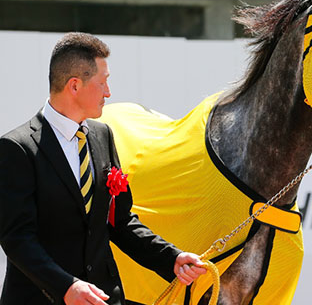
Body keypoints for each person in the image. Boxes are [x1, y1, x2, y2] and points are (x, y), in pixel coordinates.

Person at [0, 32, 207, 305]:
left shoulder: (102, 136)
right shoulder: (17, 148)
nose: (108, 92)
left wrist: (171, 258)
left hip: (104, 297)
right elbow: (17, 239)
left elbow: (119, 222)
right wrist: (66, 287)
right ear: (75, 86)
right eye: (103, 82)